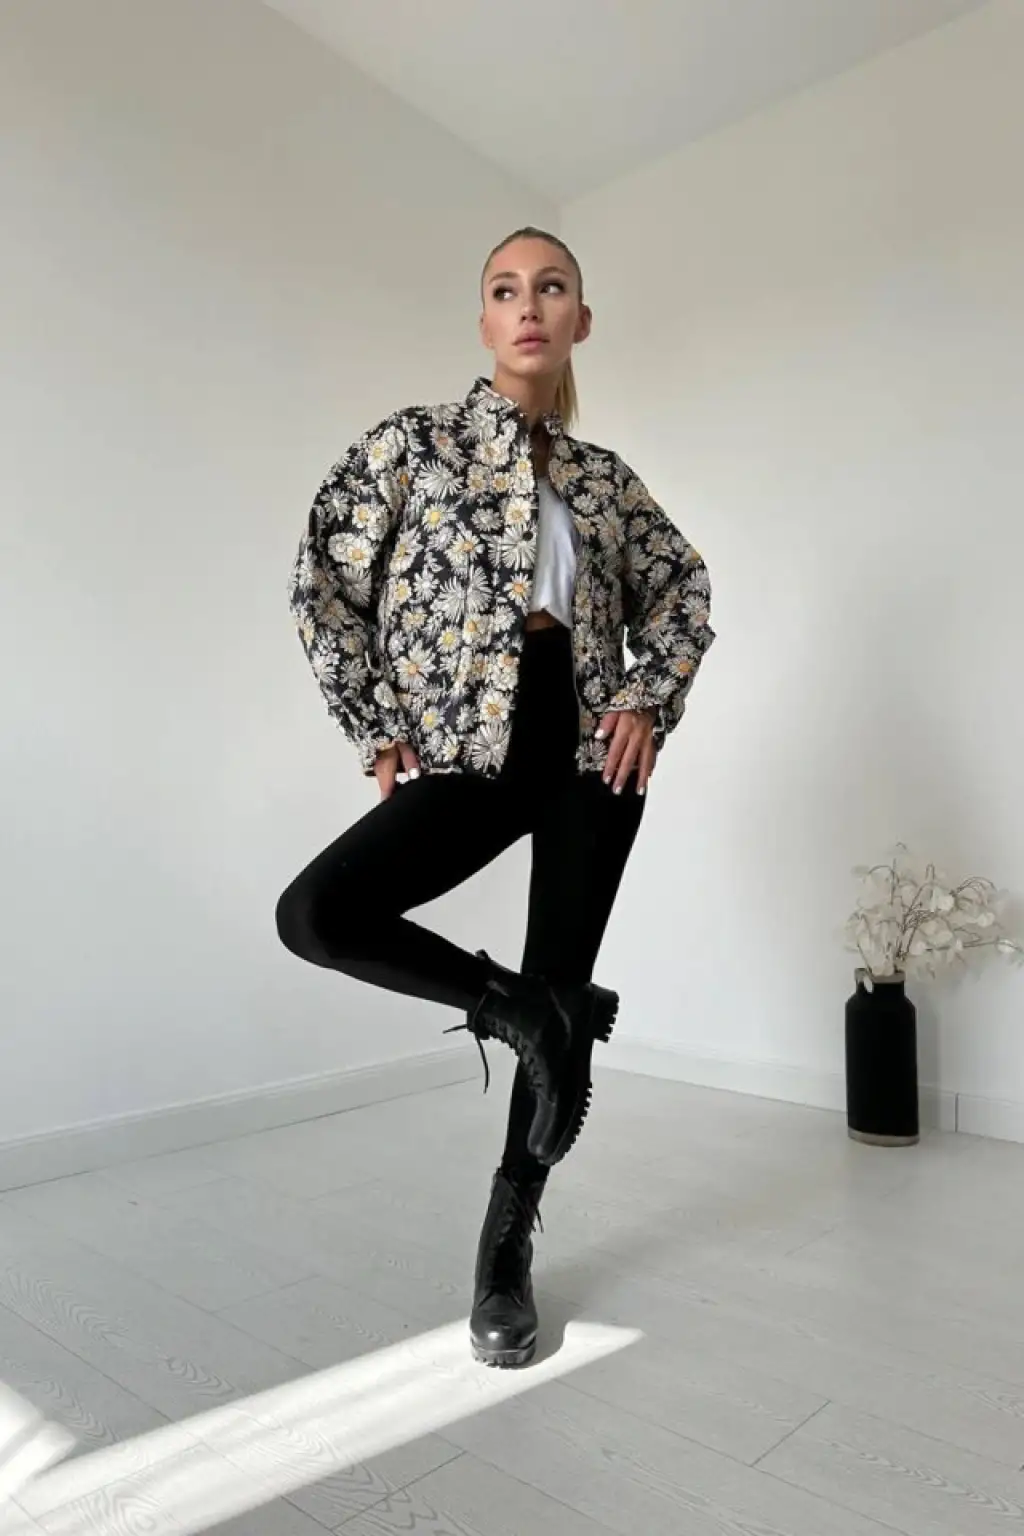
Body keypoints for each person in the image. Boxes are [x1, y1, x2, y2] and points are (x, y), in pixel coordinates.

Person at [276, 226, 715, 1368]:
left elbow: (683, 589)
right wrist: (375, 721)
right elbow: (323, 582)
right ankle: (518, 1010)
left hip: (589, 750)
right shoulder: (412, 446)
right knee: (317, 915)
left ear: (580, 319)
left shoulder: (606, 482)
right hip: (472, 743)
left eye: (551, 288)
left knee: (563, 989)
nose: (529, 306)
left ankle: (505, 1252)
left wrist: (647, 698)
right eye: (506, 290)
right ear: (483, 320)